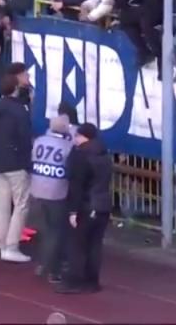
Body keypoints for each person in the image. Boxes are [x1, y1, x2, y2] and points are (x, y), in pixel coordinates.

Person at [57, 123, 112, 295]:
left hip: (87, 205)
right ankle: (92, 281)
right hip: (102, 204)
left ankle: (74, 281)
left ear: (83, 136)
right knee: (95, 244)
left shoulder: (81, 156)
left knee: (77, 244)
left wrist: (72, 211)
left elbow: (77, 186)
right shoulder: (104, 155)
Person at [0, 74, 33, 263]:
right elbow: (24, 137)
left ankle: (2, 243)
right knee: (21, 204)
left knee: (3, 205)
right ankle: (12, 246)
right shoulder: (19, 111)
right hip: (16, 163)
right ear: (15, 87)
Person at [29, 114, 74, 282]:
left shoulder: (39, 141)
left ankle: (42, 263)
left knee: (45, 229)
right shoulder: (67, 147)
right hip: (57, 193)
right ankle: (52, 269)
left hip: (37, 190)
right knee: (56, 231)